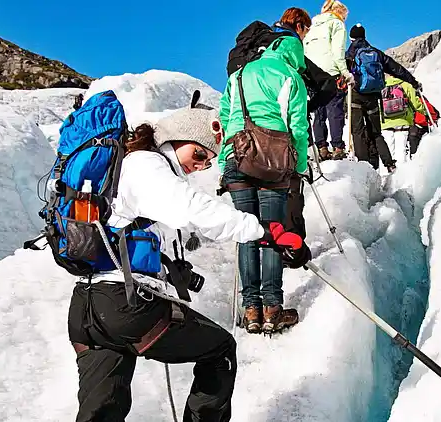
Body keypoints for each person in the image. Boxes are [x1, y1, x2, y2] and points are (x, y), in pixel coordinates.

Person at [67, 106, 310, 422]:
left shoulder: (125, 172)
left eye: (208, 160)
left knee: (101, 411)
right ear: (175, 138)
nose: (201, 165)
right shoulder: (145, 165)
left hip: (87, 310)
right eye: (198, 154)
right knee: (219, 350)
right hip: (124, 307)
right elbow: (195, 210)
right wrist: (265, 231)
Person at [218, 25, 310, 334]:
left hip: (238, 157)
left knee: (247, 232)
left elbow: (228, 118)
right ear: (292, 53)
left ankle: (251, 311)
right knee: (272, 233)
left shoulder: (239, 75)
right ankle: (272, 309)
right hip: (272, 163)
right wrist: (298, 166)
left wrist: (223, 161)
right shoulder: (290, 77)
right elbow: (297, 128)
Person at [347, 23, 422, 173]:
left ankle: (364, 168)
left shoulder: (350, 54)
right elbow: (396, 69)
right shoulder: (376, 53)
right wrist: (413, 82)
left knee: (358, 131)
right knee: (375, 132)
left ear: (351, 38)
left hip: (356, 95)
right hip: (373, 96)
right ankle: (388, 164)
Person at [304, 0, 354, 161]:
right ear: (339, 12)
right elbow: (338, 51)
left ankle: (322, 147)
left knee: (318, 111)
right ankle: (338, 147)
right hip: (330, 71)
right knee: (335, 110)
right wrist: (345, 73)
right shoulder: (336, 24)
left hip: (311, 74)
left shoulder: (311, 26)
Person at [381, 74, 427, 162]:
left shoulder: (381, 86)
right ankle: (401, 174)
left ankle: (387, 173)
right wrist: (424, 112)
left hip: (385, 124)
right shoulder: (405, 84)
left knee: (388, 152)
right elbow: (416, 104)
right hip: (403, 122)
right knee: (401, 151)